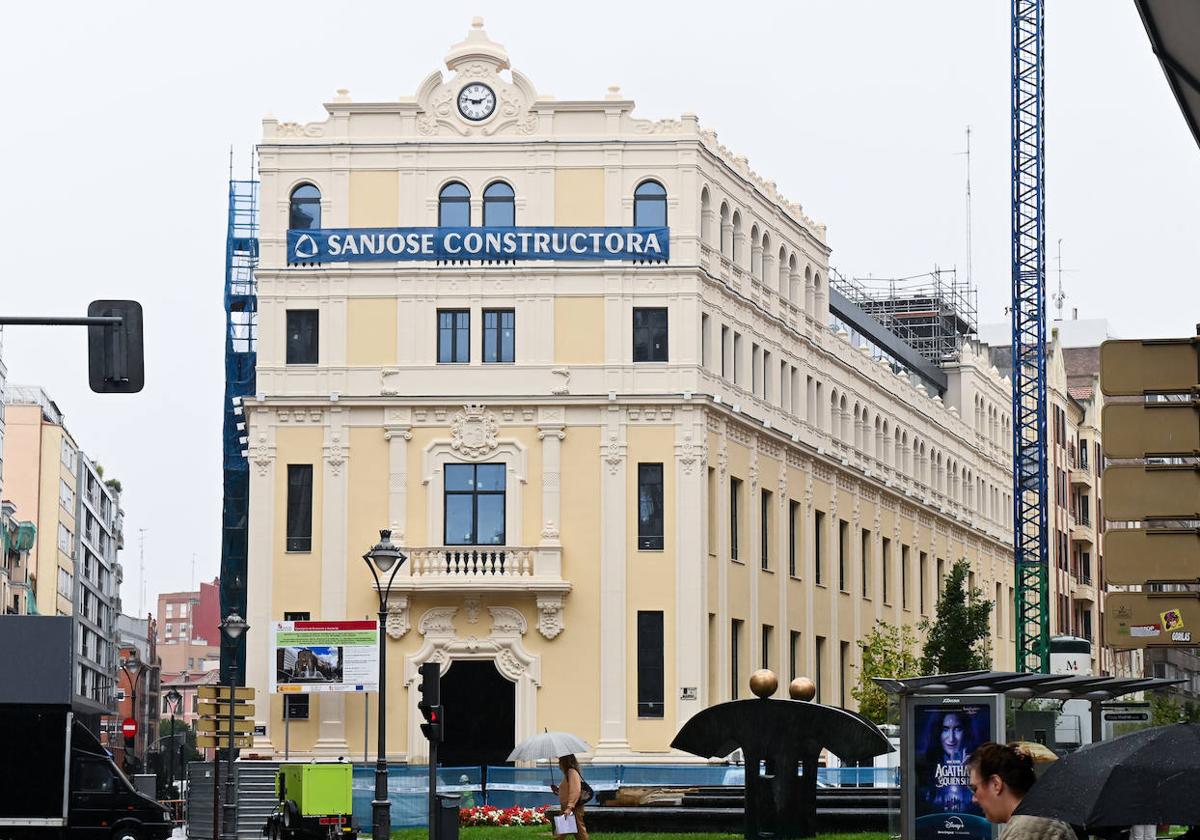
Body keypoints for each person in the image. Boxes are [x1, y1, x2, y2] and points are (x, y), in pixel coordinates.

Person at [967, 742, 1075, 840]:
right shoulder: (1038, 819)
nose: (974, 799)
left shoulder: (1023, 830)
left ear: (996, 784)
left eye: (974, 789)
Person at [552, 753, 590, 840]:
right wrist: (557, 790)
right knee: (562, 832)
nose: (559, 763)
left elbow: (575, 791)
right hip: (569, 807)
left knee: (579, 832)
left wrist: (570, 807)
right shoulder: (569, 773)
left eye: (560, 761)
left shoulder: (571, 772)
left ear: (565, 761)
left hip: (573, 808)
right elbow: (568, 791)